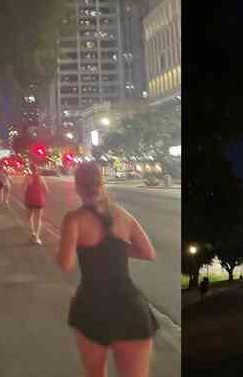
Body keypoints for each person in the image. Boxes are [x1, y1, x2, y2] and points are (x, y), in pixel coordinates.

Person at [57, 162, 159, 377]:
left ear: (78, 186)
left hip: (92, 306)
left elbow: (65, 264)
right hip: (130, 306)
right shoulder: (123, 215)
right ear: (101, 183)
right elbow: (149, 253)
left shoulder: (74, 220)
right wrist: (116, 250)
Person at [24, 170, 49, 244]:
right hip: (39, 200)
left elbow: (24, 189)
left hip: (29, 200)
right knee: (38, 219)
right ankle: (37, 237)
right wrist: (40, 193)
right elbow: (46, 190)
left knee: (29, 218)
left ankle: (33, 233)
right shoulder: (40, 178)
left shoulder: (27, 177)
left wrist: (28, 183)